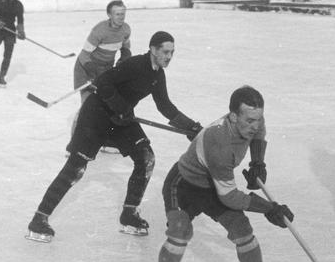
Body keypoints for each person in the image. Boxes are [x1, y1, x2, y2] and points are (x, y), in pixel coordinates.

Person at [26, 31, 203, 243]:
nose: (169, 57)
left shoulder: (157, 75)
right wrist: (120, 106)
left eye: (172, 52)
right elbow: (102, 82)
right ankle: (39, 218)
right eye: (165, 52)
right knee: (76, 168)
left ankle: (129, 213)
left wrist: (191, 127)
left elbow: (165, 107)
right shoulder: (135, 65)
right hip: (96, 116)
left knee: (146, 157)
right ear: (153, 49)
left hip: (120, 120)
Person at [151, 85, 294, 262]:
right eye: (249, 121)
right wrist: (269, 209)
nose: (255, 125)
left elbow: (259, 135)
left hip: (213, 185)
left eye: (258, 119)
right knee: (179, 231)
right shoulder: (219, 141)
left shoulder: (254, 121)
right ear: (233, 116)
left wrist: (258, 162)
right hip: (185, 184)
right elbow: (229, 196)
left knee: (242, 229)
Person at [74, 0, 131, 104]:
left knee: (105, 102)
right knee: (88, 103)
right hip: (86, 67)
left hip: (105, 67)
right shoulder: (99, 31)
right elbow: (83, 55)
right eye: (117, 14)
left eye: (123, 14)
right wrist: (92, 71)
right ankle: (79, 119)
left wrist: (124, 57)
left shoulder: (126, 29)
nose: (121, 17)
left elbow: (126, 48)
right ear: (109, 15)